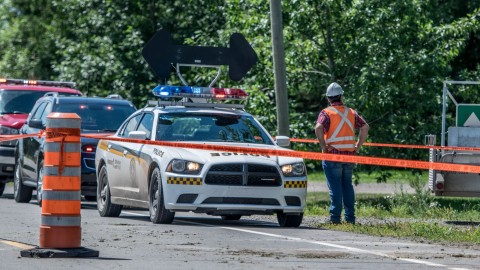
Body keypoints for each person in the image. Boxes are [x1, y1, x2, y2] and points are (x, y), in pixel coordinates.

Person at [314, 82, 369, 224]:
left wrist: (323, 146)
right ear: (341, 96)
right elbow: (365, 127)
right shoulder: (351, 112)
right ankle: (350, 218)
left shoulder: (326, 113)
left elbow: (319, 127)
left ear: (328, 98)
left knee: (335, 187)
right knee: (347, 186)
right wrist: (358, 145)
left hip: (332, 155)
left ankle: (335, 218)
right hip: (349, 156)